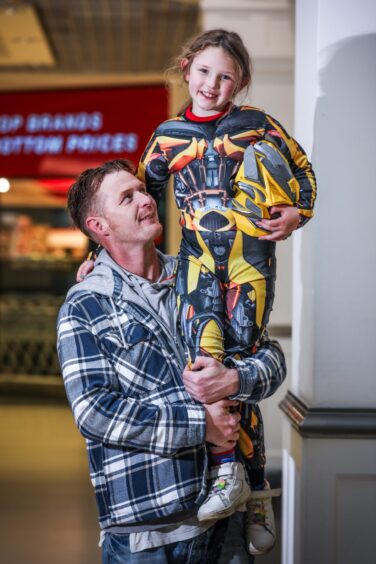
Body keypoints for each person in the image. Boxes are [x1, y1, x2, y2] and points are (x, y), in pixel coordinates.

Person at [136, 28, 317, 555]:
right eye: (205, 71)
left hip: (250, 263)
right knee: (205, 364)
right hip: (195, 265)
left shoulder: (256, 124)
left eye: (226, 77)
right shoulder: (167, 134)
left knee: (236, 365)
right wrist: (101, 255)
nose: (213, 84)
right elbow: (141, 199)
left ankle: (254, 485)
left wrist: (296, 214)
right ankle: (226, 472)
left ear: (238, 83)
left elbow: (302, 172)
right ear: (187, 67)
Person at [58, 159, 286, 563]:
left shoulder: (201, 277)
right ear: (99, 227)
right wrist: (203, 427)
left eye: (143, 191)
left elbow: (271, 358)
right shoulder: (85, 304)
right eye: (127, 198)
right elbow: (94, 412)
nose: (145, 200)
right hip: (146, 534)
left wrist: (232, 379)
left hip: (227, 524)